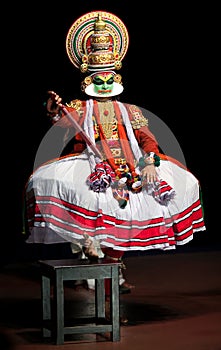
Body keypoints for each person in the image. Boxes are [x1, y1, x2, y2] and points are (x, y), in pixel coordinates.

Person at [24, 11, 206, 324]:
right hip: (94, 167)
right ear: (88, 78)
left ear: (117, 76)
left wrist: (150, 162)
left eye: (109, 76)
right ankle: (99, 270)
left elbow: (149, 142)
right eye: (98, 78)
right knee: (86, 202)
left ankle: (109, 271)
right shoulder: (82, 109)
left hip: (131, 170)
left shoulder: (131, 111)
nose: (105, 83)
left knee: (137, 209)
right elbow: (62, 123)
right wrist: (53, 110)